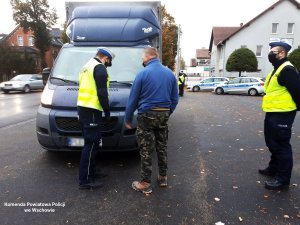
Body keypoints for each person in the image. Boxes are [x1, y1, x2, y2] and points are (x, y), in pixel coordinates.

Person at [124, 47, 179, 194]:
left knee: (146, 149)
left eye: (143, 58)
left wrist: (128, 118)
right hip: (163, 114)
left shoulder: (142, 73)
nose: (142, 60)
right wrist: (168, 112)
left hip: (146, 115)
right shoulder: (169, 74)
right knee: (161, 147)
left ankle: (145, 182)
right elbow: (175, 98)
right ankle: (162, 177)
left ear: (148, 57)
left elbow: (133, 99)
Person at [260, 41, 300, 190]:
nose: (270, 53)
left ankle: (283, 179)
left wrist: (295, 108)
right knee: (272, 143)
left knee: (281, 145)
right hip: (273, 112)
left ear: (282, 53)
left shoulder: (287, 70)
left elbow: (298, 91)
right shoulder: (276, 69)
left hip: (283, 114)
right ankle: (273, 168)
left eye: (273, 51)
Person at [77, 47, 115, 190]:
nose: (108, 64)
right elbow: (102, 93)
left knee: (90, 143)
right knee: (91, 144)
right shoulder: (99, 68)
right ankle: (85, 180)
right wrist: (107, 111)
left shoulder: (86, 66)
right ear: (105, 58)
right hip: (92, 110)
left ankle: (91, 172)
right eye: (108, 61)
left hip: (83, 108)